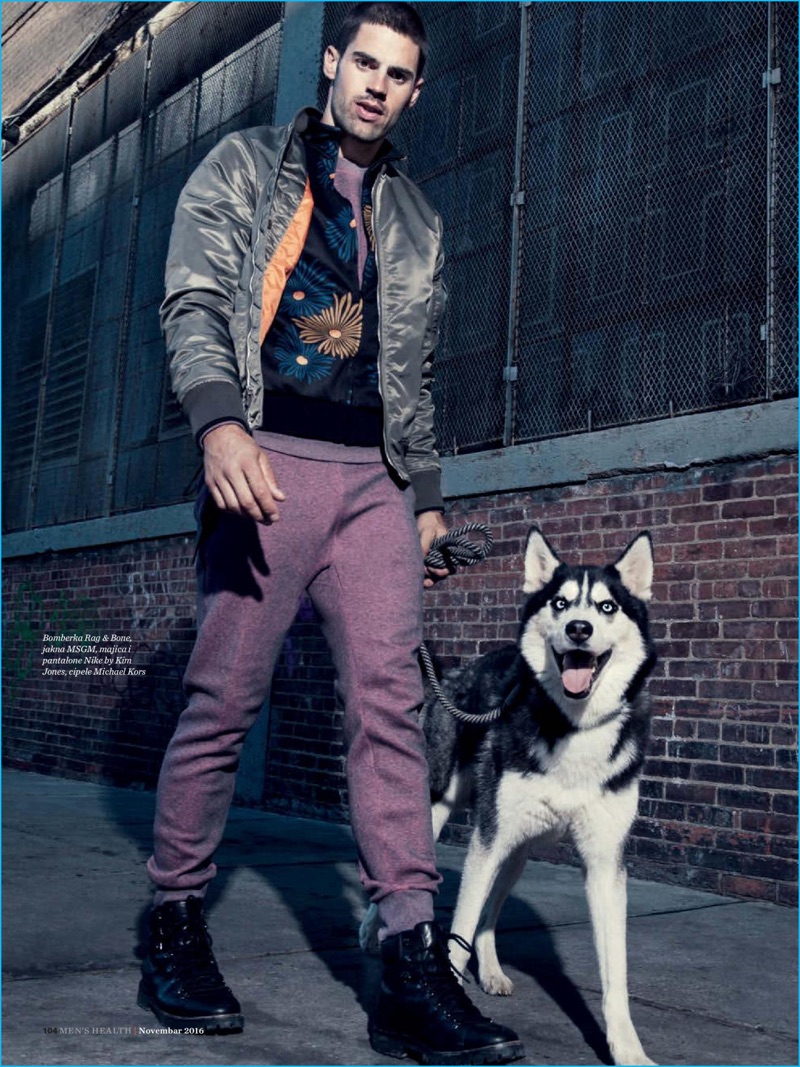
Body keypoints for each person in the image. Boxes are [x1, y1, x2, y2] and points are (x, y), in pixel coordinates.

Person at [138, 5, 524, 1063]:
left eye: (397, 74)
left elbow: (415, 372)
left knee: (391, 711)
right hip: (265, 459)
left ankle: (408, 961)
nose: (375, 85)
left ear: (414, 92)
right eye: (363, 62)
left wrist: (426, 495)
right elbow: (194, 297)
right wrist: (218, 422)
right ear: (330, 63)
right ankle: (173, 917)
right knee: (223, 699)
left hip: (374, 484)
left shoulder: (418, 218)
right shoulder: (242, 166)